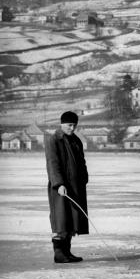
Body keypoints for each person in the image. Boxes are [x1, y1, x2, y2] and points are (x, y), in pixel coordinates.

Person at [44, 111, 89, 263]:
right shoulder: (54, 140)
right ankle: (59, 254)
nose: (72, 128)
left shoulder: (76, 140)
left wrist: (84, 178)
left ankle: (67, 252)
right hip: (60, 188)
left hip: (76, 187)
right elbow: (52, 164)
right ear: (62, 123)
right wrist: (59, 184)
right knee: (61, 220)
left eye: (75, 125)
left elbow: (82, 162)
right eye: (69, 125)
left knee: (72, 221)